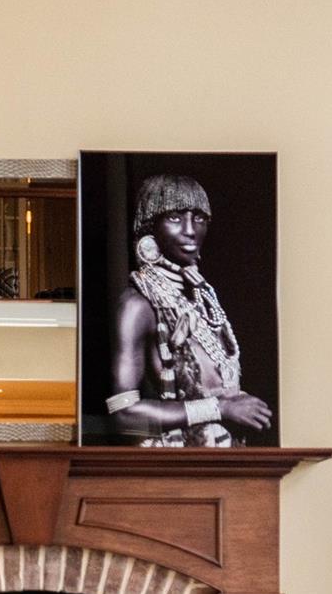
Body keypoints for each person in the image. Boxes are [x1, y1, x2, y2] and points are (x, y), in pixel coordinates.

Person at [105, 174, 272, 446]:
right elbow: (123, 413)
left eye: (199, 218)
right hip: (178, 462)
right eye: (174, 217)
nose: (190, 230)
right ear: (150, 226)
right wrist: (220, 407)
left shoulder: (202, 295)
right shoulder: (137, 305)